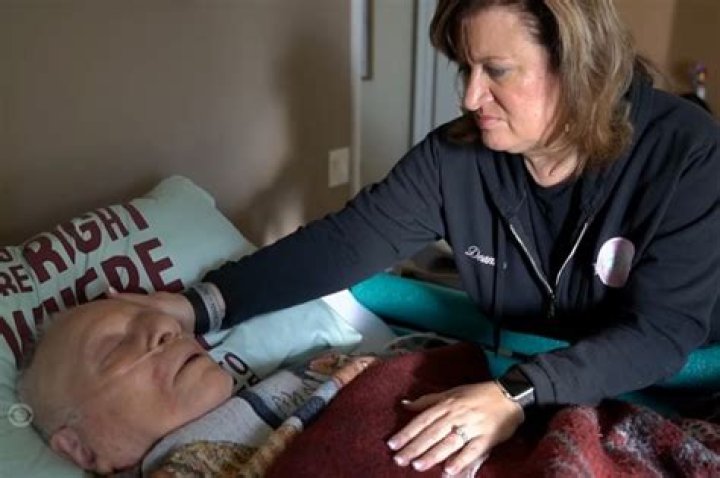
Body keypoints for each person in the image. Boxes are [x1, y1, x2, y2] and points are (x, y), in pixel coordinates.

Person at [116, 0, 720, 475]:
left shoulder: (687, 154)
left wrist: (516, 393)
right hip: (537, 377)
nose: (470, 97)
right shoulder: (456, 157)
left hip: (678, 382)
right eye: (465, 68)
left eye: (497, 71)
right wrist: (198, 305)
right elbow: (344, 244)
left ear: (579, 66)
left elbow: (662, 334)